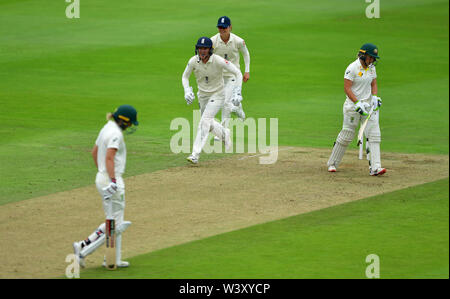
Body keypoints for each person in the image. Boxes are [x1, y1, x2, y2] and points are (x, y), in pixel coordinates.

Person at [72, 105, 138, 268]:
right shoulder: (115, 133)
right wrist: (113, 180)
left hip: (102, 178)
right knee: (117, 224)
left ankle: (111, 259)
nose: (130, 127)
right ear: (124, 121)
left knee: (113, 220)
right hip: (111, 180)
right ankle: (83, 251)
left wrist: (102, 173)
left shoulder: (106, 127)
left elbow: (94, 152)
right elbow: (109, 156)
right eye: (129, 123)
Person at [182, 36, 243, 164]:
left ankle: (195, 154)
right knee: (208, 124)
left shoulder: (219, 61)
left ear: (210, 49)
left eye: (205, 48)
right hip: (202, 95)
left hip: (218, 94)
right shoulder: (193, 61)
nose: (202, 51)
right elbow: (185, 77)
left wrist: (237, 91)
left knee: (204, 121)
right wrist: (187, 90)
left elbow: (237, 73)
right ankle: (224, 134)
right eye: (200, 48)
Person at [327, 43, 385, 176]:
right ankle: (332, 163)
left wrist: (374, 97)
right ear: (363, 55)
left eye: (373, 58)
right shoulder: (352, 68)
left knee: (374, 134)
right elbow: (347, 88)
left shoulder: (371, 68)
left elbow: (373, 83)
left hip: (368, 106)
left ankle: (376, 167)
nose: (372, 60)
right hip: (352, 107)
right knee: (347, 135)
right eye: (370, 57)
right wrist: (357, 103)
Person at [211, 16, 250, 131]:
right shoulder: (213, 41)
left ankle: (223, 131)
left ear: (230, 27)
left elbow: (246, 54)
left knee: (225, 102)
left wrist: (247, 71)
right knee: (226, 103)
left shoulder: (238, 41)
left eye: (224, 27)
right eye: (220, 27)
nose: (222, 30)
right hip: (219, 76)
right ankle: (238, 109)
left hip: (234, 75)